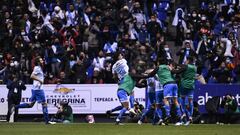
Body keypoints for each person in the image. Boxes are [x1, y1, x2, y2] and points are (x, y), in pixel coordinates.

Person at [12, 57, 54, 124]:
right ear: (38, 62)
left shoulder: (40, 68)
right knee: (44, 104)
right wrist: (40, 80)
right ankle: (47, 121)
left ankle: (15, 106)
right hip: (38, 89)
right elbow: (31, 76)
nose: (42, 61)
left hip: (35, 89)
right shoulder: (37, 68)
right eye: (41, 60)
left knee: (30, 105)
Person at [145, 58, 185, 125]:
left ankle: (168, 115)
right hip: (174, 84)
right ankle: (180, 116)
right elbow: (174, 72)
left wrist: (144, 76)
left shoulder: (158, 67)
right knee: (175, 101)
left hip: (167, 84)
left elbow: (150, 74)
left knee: (165, 100)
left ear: (158, 63)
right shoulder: (168, 67)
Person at [112, 51, 146, 125]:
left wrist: (118, 81)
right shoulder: (123, 61)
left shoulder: (113, 66)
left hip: (121, 82)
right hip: (127, 79)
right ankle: (132, 109)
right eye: (121, 55)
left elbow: (114, 76)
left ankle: (129, 109)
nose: (122, 56)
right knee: (131, 94)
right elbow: (129, 66)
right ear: (118, 56)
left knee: (124, 104)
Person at [179, 56, 198, 125]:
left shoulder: (186, 66)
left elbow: (179, 72)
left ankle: (183, 114)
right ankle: (190, 116)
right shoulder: (195, 67)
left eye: (186, 60)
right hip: (191, 85)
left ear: (188, 60)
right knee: (190, 101)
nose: (185, 61)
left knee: (182, 99)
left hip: (184, 85)